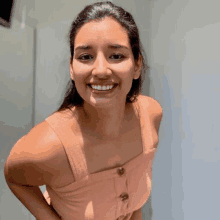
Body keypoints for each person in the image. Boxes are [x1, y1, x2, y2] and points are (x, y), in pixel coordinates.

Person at [4, 1, 163, 220]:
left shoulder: (151, 114)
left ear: (137, 65)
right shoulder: (48, 146)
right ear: (71, 68)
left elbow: (135, 200)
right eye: (85, 57)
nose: (100, 70)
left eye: (116, 55)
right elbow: (13, 176)